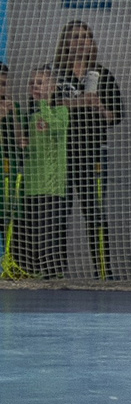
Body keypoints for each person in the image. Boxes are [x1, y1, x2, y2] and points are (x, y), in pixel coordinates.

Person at [54, 20, 122, 278]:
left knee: (94, 214)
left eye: (85, 36)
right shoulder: (55, 74)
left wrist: (98, 107)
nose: (80, 41)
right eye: (75, 37)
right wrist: (76, 102)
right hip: (58, 155)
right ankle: (56, 273)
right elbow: (40, 108)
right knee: (59, 214)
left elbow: (117, 115)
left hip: (91, 155)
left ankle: (104, 274)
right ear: (66, 43)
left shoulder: (102, 75)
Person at [5, 67, 69, 278]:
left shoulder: (60, 111)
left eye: (40, 83)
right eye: (32, 83)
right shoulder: (32, 115)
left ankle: (55, 277)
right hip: (30, 187)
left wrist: (43, 102)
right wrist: (13, 113)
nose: (34, 86)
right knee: (31, 236)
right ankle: (33, 274)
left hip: (51, 187)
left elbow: (57, 127)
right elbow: (22, 143)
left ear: (52, 87)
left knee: (48, 237)